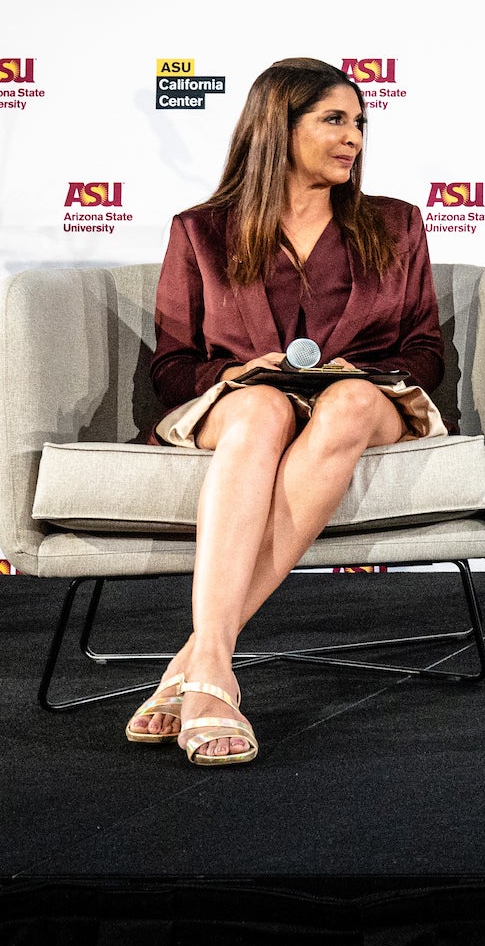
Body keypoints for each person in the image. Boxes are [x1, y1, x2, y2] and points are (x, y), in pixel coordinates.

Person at [126, 57, 446, 766]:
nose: (354, 137)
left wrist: (355, 373)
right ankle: (206, 669)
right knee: (263, 409)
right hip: (243, 402)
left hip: (365, 401)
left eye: (360, 122)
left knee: (350, 402)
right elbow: (171, 368)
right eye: (334, 119)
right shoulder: (201, 231)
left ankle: (203, 661)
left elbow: (426, 350)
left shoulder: (396, 224)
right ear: (278, 124)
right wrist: (235, 373)